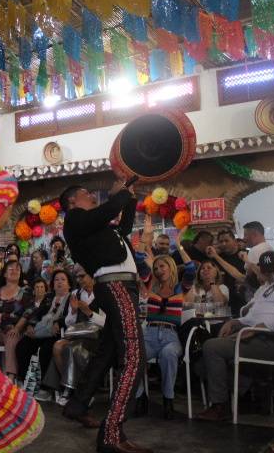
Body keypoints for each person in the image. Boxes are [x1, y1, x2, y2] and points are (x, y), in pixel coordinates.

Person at [59, 180, 152, 453]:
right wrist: (120, 195)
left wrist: (130, 200)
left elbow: (122, 230)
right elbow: (107, 211)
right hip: (116, 284)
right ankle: (111, 433)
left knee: (109, 351)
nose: (92, 196)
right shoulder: (75, 219)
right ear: (73, 202)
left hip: (119, 285)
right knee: (134, 356)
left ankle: (78, 404)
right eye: (86, 194)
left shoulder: (94, 226)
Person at [196, 247, 274, 421]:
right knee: (201, 362)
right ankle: (247, 390)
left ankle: (221, 405)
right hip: (252, 333)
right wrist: (237, 322)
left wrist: (261, 327)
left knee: (212, 347)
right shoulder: (272, 285)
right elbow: (252, 314)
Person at [135, 219, 196, 419]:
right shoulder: (151, 285)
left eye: (163, 266)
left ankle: (168, 401)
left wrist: (178, 243)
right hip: (150, 333)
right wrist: (145, 238)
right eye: (157, 267)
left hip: (170, 336)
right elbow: (138, 259)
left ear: (170, 267)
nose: (159, 270)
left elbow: (190, 269)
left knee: (169, 355)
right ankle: (140, 398)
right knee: (136, 357)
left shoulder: (180, 288)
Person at [42, 265, 103, 406]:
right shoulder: (76, 293)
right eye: (77, 277)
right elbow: (69, 321)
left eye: (82, 276)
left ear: (92, 276)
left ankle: (70, 390)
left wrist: (89, 313)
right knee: (57, 346)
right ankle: (75, 388)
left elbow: (106, 322)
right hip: (77, 333)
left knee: (71, 349)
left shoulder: (102, 293)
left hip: (96, 336)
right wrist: (74, 311)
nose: (79, 279)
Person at [16, 269, 72, 401]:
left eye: (63, 279)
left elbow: (71, 317)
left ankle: (45, 388)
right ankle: (25, 381)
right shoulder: (49, 297)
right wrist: (30, 324)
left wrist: (59, 322)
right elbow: (37, 313)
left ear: (69, 284)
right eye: (56, 280)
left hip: (57, 333)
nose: (59, 282)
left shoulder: (71, 298)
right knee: (22, 345)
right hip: (41, 332)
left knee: (46, 350)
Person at [0, 259, 30, 381]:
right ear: (4, 274)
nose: (14, 271)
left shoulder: (25, 291)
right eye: (11, 269)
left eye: (17, 269)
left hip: (14, 329)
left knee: (12, 338)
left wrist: (18, 327)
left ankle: (10, 376)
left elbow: (28, 313)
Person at [206, 230, 246, 315]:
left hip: (242, 301)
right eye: (221, 241)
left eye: (226, 241)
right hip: (222, 301)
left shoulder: (244, 256)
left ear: (234, 241)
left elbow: (243, 278)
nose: (223, 244)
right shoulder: (216, 258)